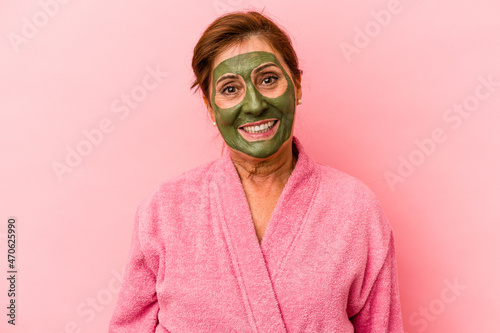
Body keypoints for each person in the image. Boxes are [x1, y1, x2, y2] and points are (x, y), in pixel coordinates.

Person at [109, 11, 404, 332]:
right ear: (210, 106)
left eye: (268, 79)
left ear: (297, 85)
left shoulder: (355, 208)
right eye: (230, 88)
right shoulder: (164, 210)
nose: (253, 105)